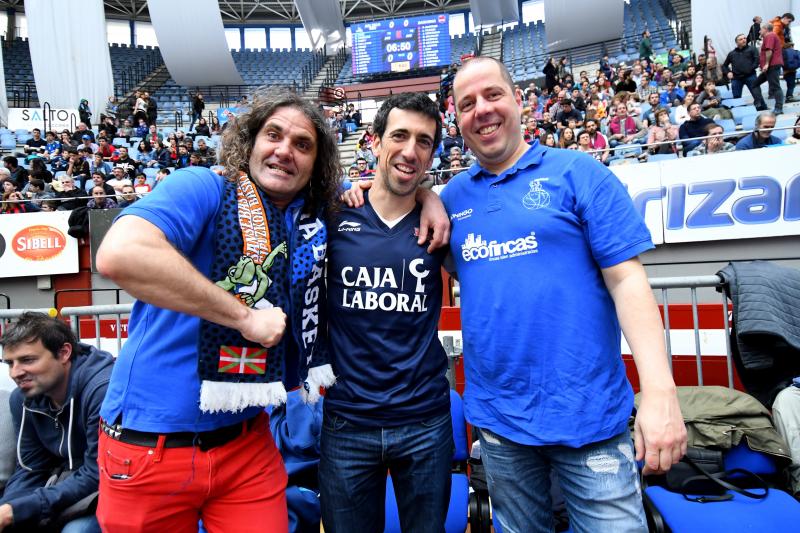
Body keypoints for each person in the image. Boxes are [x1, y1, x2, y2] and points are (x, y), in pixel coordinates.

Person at [349, 56, 686, 533]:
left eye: (492, 95)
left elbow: (628, 281)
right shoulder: (453, 199)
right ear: (458, 121)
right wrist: (414, 192)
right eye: (467, 104)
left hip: (589, 423)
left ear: (517, 100)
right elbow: (398, 200)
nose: (482, 110)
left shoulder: (579, 173)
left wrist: (659, 391)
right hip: (501, 427)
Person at [93, 87, 351, 531]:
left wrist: (416, 195)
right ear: (249, 143)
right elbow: (120, 253)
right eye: (273, 135)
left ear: (317, 164)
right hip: (152, 446)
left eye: (302, 144)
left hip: (247, 444)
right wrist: (244, 318)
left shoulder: (309, 219)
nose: (284, 150)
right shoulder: (202, 186)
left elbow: (388, 192)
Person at [319, 92, 453, 533]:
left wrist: (431, 196)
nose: (411, 150)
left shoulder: (442, 222)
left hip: (425, 422)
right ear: (374, 142)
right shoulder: (333, 214)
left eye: (424, 141)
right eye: (399, 136)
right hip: (347, 422)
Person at [0, 312, 114, 533]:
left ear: (64, 353)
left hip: (110, 488)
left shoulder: (102, 390)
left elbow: (96, 474)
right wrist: (10, 508)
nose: (16, 373)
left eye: (27, 360)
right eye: (9, 363)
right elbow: (31, 468)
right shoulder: (22, 398)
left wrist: (21, 509)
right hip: (67, 484)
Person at [723, 34, 767, 110]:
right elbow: (724, 66)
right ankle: (739, 111)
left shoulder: (752, 49)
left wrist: (749, 69)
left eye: (744, 38)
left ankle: (762, 108)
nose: (744, 40)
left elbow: (756, 61)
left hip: (750, 76)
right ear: (736, 42)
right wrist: (728, 72)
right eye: (741, 39)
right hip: (736, 78)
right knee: (736, 97)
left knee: (757, 94)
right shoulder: (732, 53)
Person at [755, 22, 785, 114]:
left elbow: (769, 50)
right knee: (755, 84)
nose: (759, 31)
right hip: (769, 67)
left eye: (761, 29)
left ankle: (778, 108)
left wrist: (767, 64)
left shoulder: (769, 36)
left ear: (765, 29)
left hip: (772, 65)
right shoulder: (769, 37)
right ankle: (759, 103)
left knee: (775, 87)